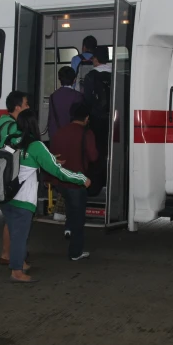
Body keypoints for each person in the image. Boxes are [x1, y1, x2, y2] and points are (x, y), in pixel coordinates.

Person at [0, 109, 90, 283]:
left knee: (14, 231)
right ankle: (16, 272)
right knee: (20, 235)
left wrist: (49, 159)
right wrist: (81, 178)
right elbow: (58, 172)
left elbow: (23, 160)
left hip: (6, 195)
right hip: (22, 199)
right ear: (34, 124)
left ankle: (20, 262)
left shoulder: (9, 140)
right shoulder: (35, 145)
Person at [50, 102, 98, 261]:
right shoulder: (87, 133)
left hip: (61, 180)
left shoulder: (59, 132)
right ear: (87, 118)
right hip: (77, 182)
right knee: (78, 218)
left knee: (70, 206)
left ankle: (68, 228)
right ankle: (75, 252)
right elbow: (93, 156)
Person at [0, 91, 30, 268]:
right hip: (10, 175)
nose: (28, 107)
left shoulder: (1, 122)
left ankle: (6, 254)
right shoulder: (14, 128)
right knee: (16, 219)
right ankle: (18, 262)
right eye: (26, 104)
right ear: (17, 107)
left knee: (10, 219)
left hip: (1, 174)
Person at [82, 51, 112, 193]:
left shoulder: (91, 76)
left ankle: (96, 185)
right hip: (114, 119)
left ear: (96, 58)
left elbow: (87, 100)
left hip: (96, 119)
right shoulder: (116, 74)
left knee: (97, 151)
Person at [47, 66, 84, 138]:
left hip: (56, 135)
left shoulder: (53, 96)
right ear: (74, 80)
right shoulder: (78, 96)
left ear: (59, 79)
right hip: (72, 136)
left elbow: (51, 120)